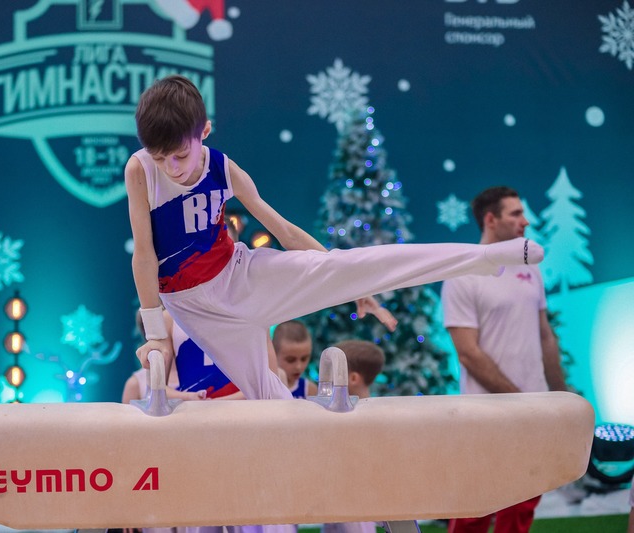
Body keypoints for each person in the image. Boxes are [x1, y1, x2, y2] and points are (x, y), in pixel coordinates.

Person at [125, 75, 543, 401]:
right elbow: (144, 256)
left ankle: (487, 257)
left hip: (239, 275)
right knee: (270, 401)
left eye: (180, 155)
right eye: (161, 158)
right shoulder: (141, 171)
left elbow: (284, 231)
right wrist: (156, 333)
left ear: (205, 132)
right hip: (195, 307)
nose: (171, 167)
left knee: (353, 263)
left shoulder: (223, 169)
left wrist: (347, 282)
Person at [441, 186, 567, 533]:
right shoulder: (463, 274)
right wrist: (517, 399)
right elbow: (468, 353)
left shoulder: (530, 269)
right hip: (486, 411)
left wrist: (561, 393)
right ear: (490, 219)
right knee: (476, 506)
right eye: (516, 214)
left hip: (534, 405)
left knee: (523, 504)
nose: (525, 221)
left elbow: (545, 335)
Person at [323, 340, 386, 533]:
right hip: (335, 489)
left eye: (332, 376)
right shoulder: (342, 411)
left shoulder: (367, 415)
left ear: (352, 378)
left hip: (358, 495)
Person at [272, 321, 318, 398]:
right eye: (290, 360)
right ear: (274, 354)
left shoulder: (310, 390)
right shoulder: (266, 389)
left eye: (304, 359)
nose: (298, 367)